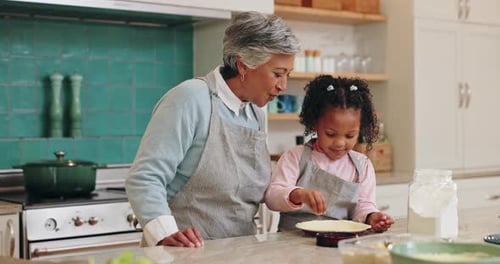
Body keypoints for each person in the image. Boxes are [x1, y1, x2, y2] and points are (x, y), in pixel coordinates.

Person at [125, 11, 300, 248]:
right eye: (277, 74)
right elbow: (145, 178)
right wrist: (165, 234)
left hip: (239, 252)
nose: (282, 86)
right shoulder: (191, 98)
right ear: (243, 66)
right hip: (185, 254)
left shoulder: (255, 112)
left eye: (287, 75)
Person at [264, 75, 394, 232]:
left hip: (338, 242)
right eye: (331, 134)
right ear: (314, 124)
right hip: (292, 241)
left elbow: (364, 205)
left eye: (350, 136)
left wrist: (371, 216)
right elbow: (272, 196)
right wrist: (298, 194)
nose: (340, 143)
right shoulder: (295, 157)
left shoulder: (362, 165)